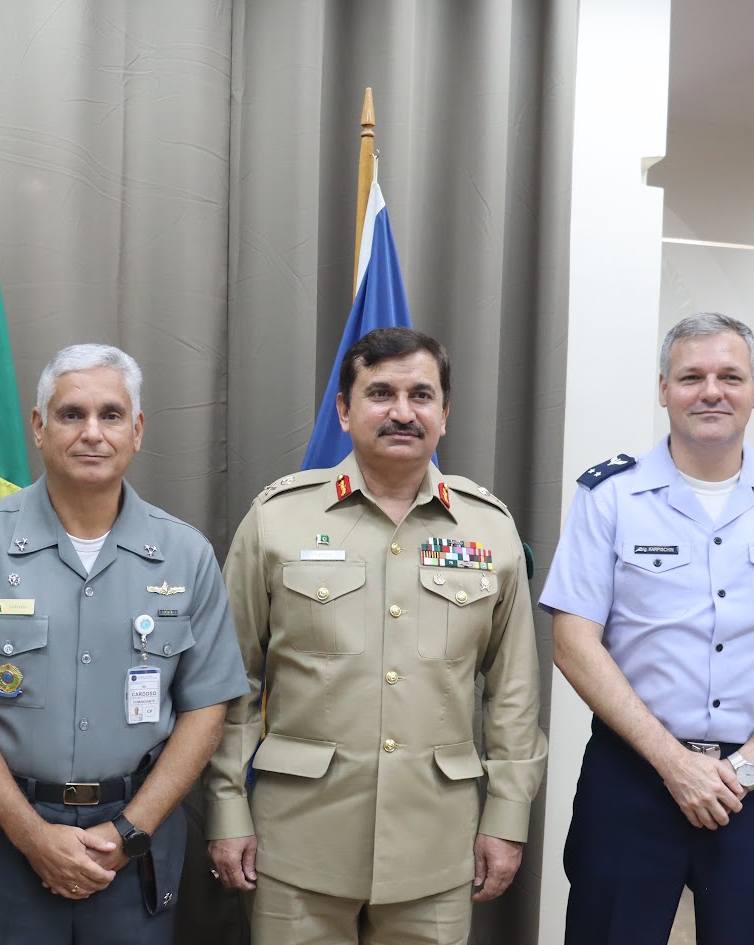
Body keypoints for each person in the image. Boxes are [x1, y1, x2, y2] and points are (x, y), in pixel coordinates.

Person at [204, 326, 548, 944]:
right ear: (344, 410)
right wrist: (227, 805)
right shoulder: (278, 518)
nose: (402, 412)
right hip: (298, 842)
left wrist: (507, 815)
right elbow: (233, 678)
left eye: (421, 395)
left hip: (436, 844)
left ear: (445, 413)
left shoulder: (490, 529)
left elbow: (513, 692)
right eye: (381, 393)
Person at [541, 312, 754, 944]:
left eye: (730, 376)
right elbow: (573, 643)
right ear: (663, 389)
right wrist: (674, 763)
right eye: (691, 376)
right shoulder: (609, 498)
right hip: (632, 777)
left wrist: (746, 767)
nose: (711, 391)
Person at [0, 343, 248, 945]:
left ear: (137, 430)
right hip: (6, 837)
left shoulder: (186, 554)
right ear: (39, 427)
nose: (92, 432)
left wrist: (129, 832)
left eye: (111, 415)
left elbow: (206, 709)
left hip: (137, 842)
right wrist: (31, 835)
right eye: (72, 414)